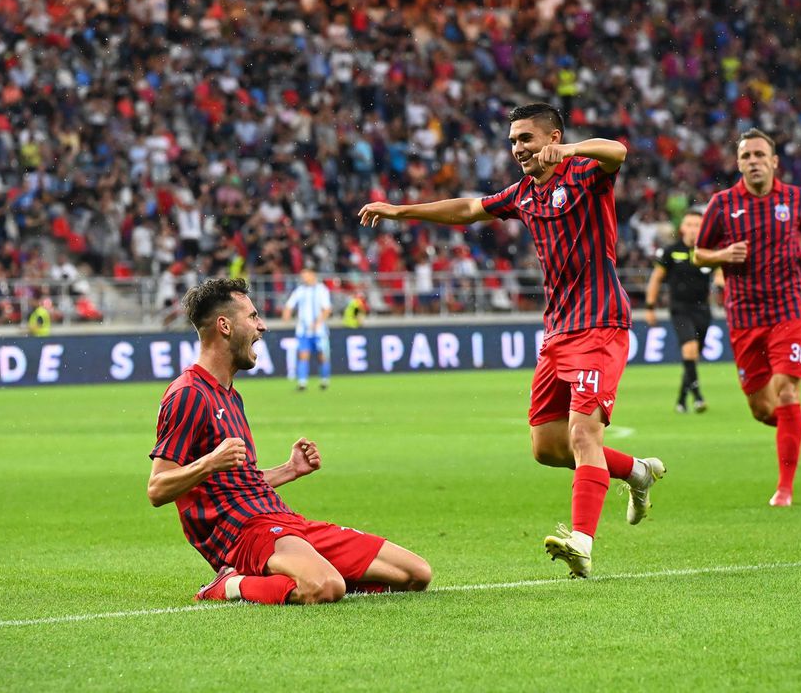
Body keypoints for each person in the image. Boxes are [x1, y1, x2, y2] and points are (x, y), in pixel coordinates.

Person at [360, 102, 665, 579]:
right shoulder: (523, 194)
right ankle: (637, 471)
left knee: (584, 433)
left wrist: (570, 149)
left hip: (600, 323)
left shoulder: (586, 173)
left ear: (552, 136)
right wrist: (402, 211)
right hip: (558, 330)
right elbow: (467, 209)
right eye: (513, 141)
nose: (518, 148)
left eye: (526, 138)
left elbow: (618, 151)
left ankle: (582, 541)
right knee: (548, 447)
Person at [148, 278, 431, 604]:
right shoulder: (188, 394)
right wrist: (210, 461)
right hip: (244, 532)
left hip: (280, 519)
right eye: (253, 317)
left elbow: (237, 481)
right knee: (324, 587)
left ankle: (306, 571)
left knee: (415, 574)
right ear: (225, 326)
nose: (262, 326)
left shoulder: (231, 396)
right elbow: (157, 489)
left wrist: (289, 470)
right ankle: (227, 585)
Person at [694, 129, 801, 507]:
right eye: (746, 156)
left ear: (773, 162)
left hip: (790, 307)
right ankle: (792, 423)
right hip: (745, 315)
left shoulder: (796, 198)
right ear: (738, 164)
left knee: (786, 389)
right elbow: (699, 254)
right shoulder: (721, 204)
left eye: (758, 155)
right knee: (762, 408)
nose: (752, 161)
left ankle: (784, 488)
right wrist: (723, 255)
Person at [644, 208, 724, 414]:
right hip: (680, 309)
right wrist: (650, 307)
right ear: (682, 228)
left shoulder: (707, 251)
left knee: (693, 355)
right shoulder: (671, 251)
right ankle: (698, 398)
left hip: (703, 310)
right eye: (689, 225)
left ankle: (681, 400)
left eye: (697, 225)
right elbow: (656, 278)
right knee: (689, 349)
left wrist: (721, 284)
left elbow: (720, 273)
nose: (693, 230)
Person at [282, 267, 332, 391]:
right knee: (303, 355)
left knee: (322, 356)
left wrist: (318, 323)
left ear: (312, 275)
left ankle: (324, 381)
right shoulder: (300, 290)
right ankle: (302, 383)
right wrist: (287, 313)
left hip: (319, 331)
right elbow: (289, 304)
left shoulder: (321, 289)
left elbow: (327, 309)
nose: (303, 278)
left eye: (305, 275)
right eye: (302, 276)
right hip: (303, 331)